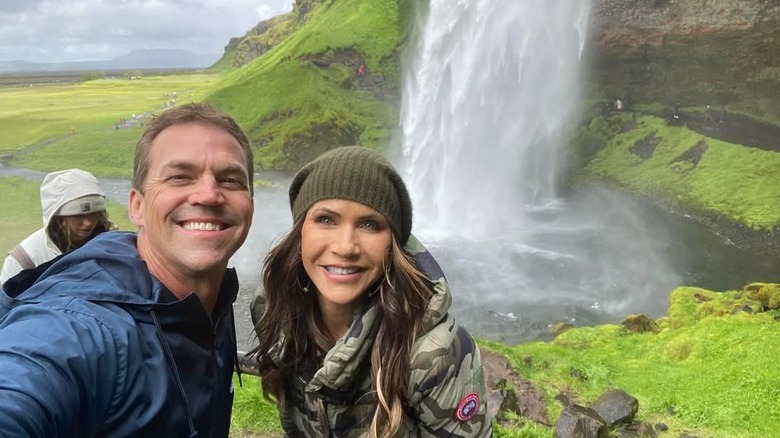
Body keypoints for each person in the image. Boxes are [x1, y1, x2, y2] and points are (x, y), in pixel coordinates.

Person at [0, 102, 255, 436]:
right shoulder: (86, 327)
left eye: (230, 180)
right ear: (137, 205)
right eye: (179, 177)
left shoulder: (212, 300)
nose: (209, 194)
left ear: (251, 202)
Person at [250, 146, 492, 437]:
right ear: (300, 231)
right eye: (326, 219)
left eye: (370, 224)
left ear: (393, 245)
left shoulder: (435, 355)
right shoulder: (275, 313)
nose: (345, 247)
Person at [0, 168, 115, 285]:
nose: (88, 223)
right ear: (58, 217)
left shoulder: (115, 245)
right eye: (78, 215)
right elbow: (7, 302)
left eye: (93, 214)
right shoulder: (24, 260)